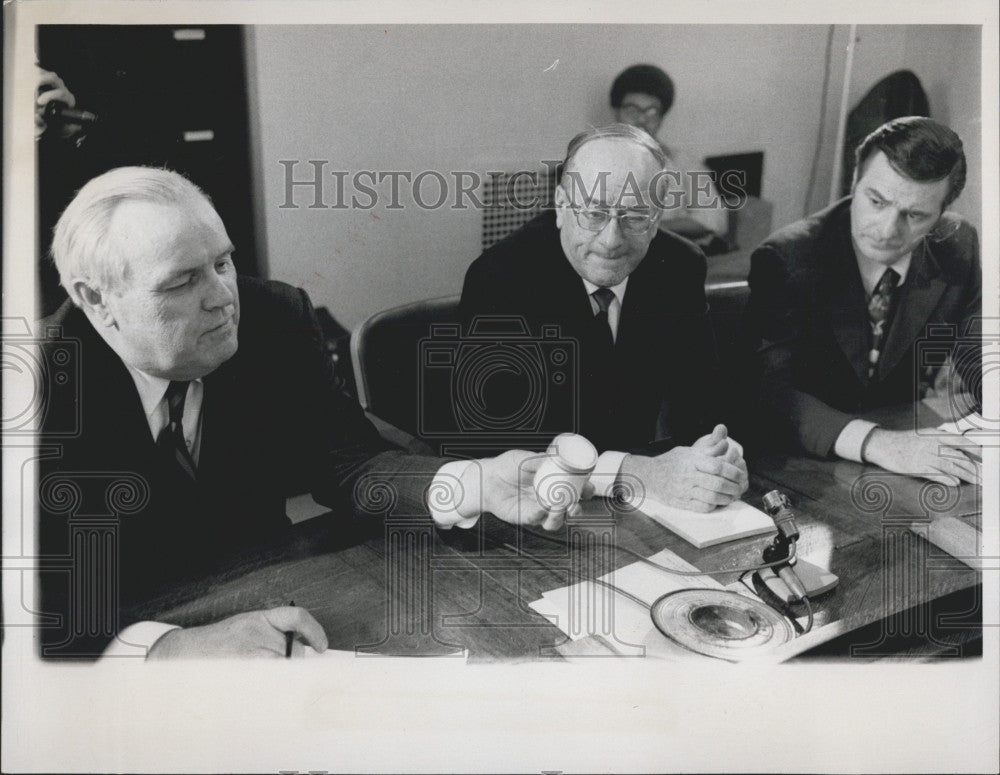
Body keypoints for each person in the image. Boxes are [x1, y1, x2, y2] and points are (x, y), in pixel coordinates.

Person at [38, 166, 563, 659]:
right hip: (116, 635)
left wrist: (472, 482)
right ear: (96, 299)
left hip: (271, 594)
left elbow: (350, 461)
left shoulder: (273, 318)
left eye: (223, 262)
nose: (224, 298)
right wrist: (165, 649)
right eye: (182, 282)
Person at [459, 123, 749, 514]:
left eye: (634, 217)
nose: (611, 240)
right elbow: (501, 448)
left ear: (658, 216)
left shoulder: (679, 266)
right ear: (562, 206)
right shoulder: (501, 279)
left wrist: (717, 457)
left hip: (637, 509)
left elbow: (703, 399)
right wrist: (639, 472)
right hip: (536, 512)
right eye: (593, 212)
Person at [744, 117, 982, 486]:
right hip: (800, 465)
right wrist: (875, 442)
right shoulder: (787, 257)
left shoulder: (958, 245)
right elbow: (770, 391)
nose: (887, 230)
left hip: (909, 462)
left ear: (939, 216)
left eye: (915, 215)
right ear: (854, 181)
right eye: (876, 201)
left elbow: (981, 354)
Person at [609, 63, 729, 247]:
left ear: (662, 117)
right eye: (632, 110)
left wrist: (649, 228)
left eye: (652, 111)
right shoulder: (597, 160)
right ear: (616, 112)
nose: (642, 119)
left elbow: (713, 221)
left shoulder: (682, 162)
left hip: (677, 252)